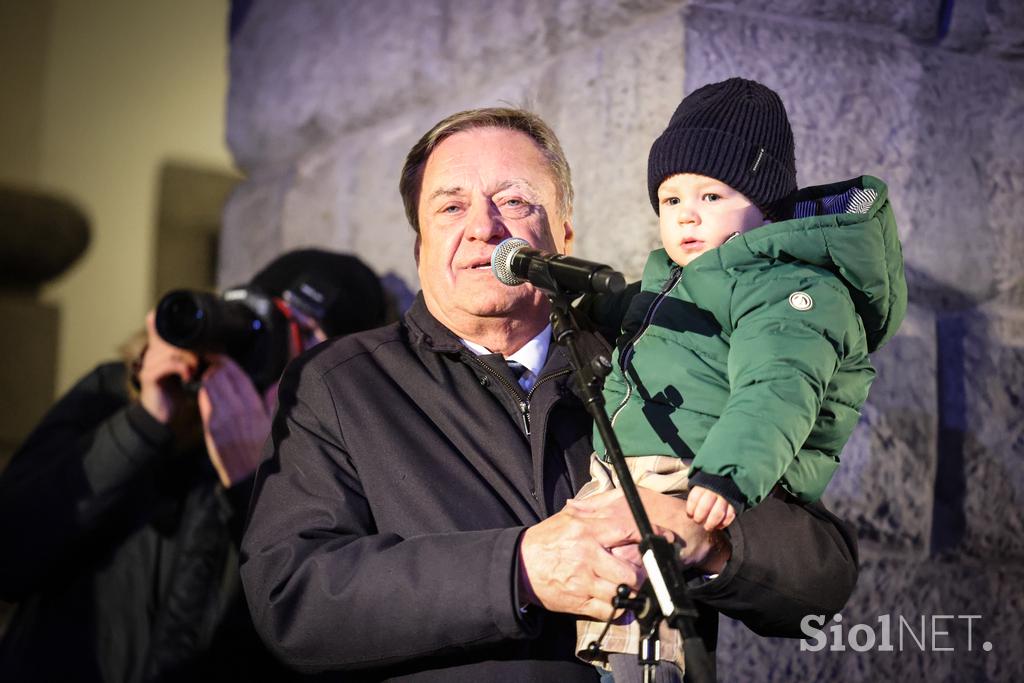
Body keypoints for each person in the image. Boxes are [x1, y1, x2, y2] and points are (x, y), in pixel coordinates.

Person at [239, 108, 861, 682]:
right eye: (451, 207)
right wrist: (518, 569)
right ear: (420, 245)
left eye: (514, 201)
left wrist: (713, 541)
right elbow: (292, 596)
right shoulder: (339, 383)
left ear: (563, 234)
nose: (483, 228)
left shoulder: (651, 353)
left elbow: (824, 575)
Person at [573, 78, 907, 678]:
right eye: (671, 200)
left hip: (691, 471)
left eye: (712, 196)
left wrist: (728, 473)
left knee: (643, 621)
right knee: (598, 604)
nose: (687, 215)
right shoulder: (677, 281)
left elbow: (778, 387)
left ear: (766, 207)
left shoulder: (787, 290)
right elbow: (630, 318)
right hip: (631, 469)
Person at [0, 249, 390, 682]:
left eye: (303, 336)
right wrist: (142, 425)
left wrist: (255, 484)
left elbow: (317, 633)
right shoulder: (116, 393)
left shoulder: (335, 465)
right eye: (262, 320)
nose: (273, 346)